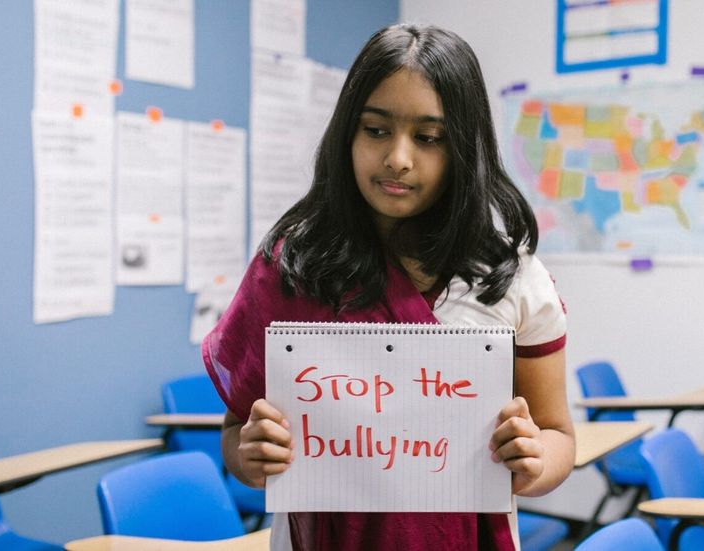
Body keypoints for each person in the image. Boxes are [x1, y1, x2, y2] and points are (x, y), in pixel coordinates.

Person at [203, 23, 574, 550]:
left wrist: (534, 460)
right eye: (376, 130)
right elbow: (237, 432)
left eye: (428, 138)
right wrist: (252, 456)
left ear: (465, 150)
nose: (398, 158)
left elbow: (558, 435)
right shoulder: (292, 267)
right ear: (346, 134)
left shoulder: (509, 279)